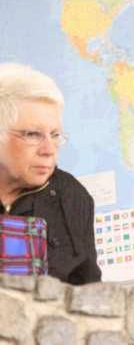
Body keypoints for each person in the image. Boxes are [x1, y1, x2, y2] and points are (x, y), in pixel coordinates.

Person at [0, 63, 101, 284]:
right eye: (33, 134)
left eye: (55, 135)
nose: (49, 150)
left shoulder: (72, 195)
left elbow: (88, 289)